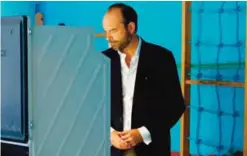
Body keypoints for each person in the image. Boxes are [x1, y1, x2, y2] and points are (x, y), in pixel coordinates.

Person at [102, 3, 186, 156]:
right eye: (106, 31)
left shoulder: (162, 58)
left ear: (131, 28)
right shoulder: (101, 60)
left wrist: (143, 133)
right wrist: (109, 134)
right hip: (111, 150)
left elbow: (175, 106)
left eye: (113, 30)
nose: (108, 37)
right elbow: (91, 107)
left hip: (152, 149)